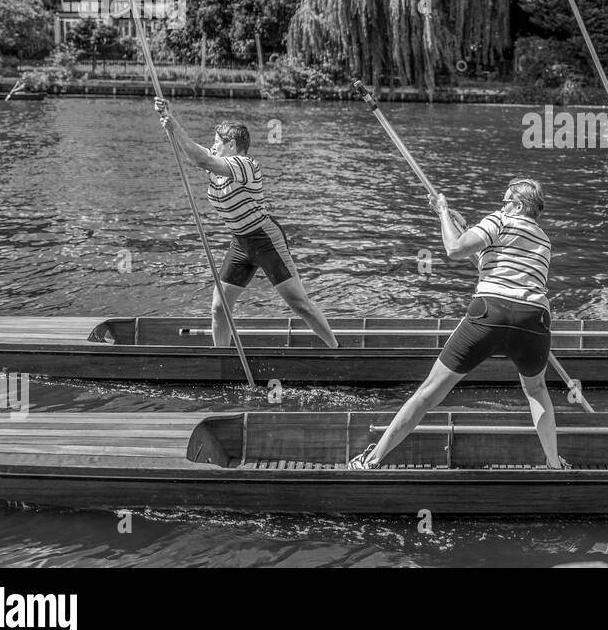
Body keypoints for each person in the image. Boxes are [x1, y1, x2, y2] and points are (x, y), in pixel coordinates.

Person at [350, 178, 568, 470]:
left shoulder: (500, 221)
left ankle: (372, 460)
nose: (500, 206)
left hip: (490, 312)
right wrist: (463, 226)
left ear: (517, 205)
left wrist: (442, 212)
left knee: (429, 392)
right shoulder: (543, 238)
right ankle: (555, 463)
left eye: (504, 202)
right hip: (534, 318)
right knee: (537, 390)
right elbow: (488, 259)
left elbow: (455, 250)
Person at [152, 98, 337, 349]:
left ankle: (335, 350)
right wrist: (170, 122)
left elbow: (202, 160)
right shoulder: (218, 164)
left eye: (217, 142)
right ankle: (221, 361)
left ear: (231, 145)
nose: (212, 146)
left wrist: (174, 125)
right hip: (240, 243)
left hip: (264, 239)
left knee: (299, 304)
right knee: (219, 308)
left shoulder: (245, 165)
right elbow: (194, 151)